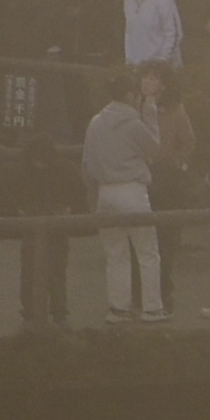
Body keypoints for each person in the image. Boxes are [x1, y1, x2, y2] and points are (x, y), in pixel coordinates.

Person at [76, 70, 166, 321]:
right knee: (147, 252)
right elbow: (155, 150)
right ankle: (152, 308)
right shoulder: (133, 123)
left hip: (104, 192)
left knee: (115, 254)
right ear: (130, 95)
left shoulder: (95, 122)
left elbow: (86, 165)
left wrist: (93, 197)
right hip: (132, 190)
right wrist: (150, 111)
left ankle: (118, 308)